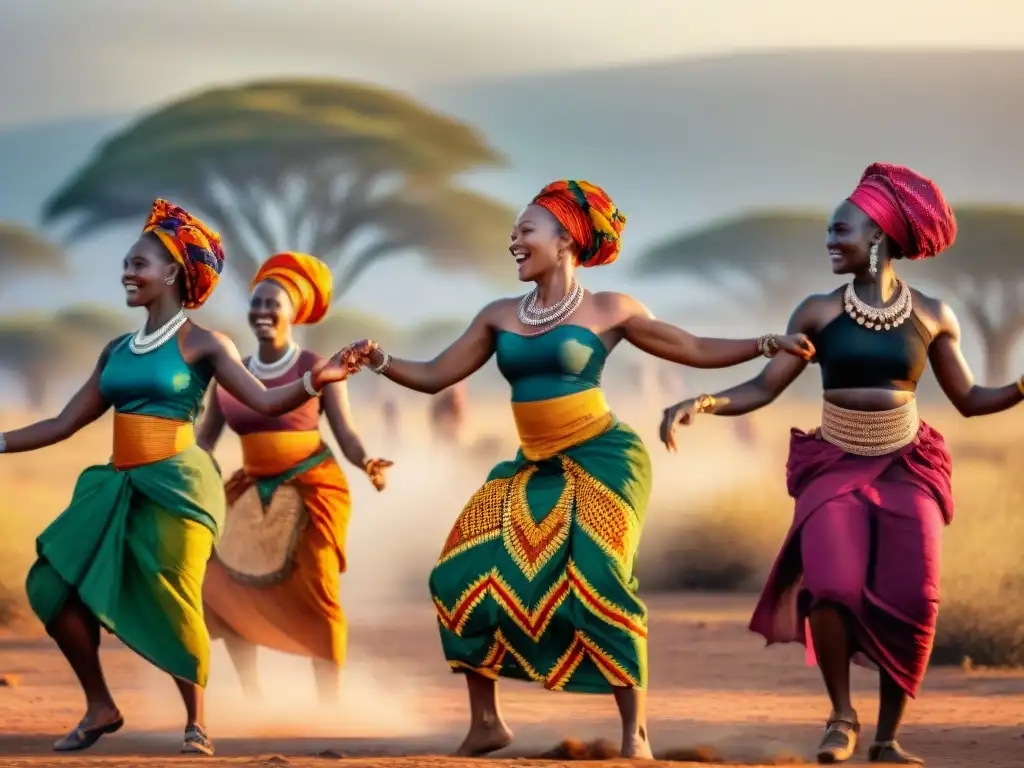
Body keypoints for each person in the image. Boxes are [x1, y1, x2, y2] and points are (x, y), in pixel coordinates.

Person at [338, 179, 814, 759]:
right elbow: (437, 375)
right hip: (532, 467)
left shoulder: (610, 309)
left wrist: (767, 343)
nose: (514, 239)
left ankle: (634, 733)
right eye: (513, 232)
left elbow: (689, 347)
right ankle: (486, 722)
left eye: (526, 230)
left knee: (600, 581)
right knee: (457, 576)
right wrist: (377, 360)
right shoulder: (499, 316)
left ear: (565, 238)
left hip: (604, 459)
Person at [659, 163, 1023, 764]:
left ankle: (888, 737)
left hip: (909, 465)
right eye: (829, 231)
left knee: (917, 596)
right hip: (833, 462)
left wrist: (1019, 388)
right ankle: (841, 716)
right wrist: (702, 401)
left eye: (841, 231)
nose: (830, 241)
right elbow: (762, 387)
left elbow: (971, 400)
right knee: (831, 586)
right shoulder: (817, 313)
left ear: (879, 236)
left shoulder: (934, 313)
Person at [0, 201, 360, 756]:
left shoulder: (205, 343)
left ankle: (197, 721)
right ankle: (100, 704)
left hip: (179, 486)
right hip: (119, 485)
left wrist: (316, 381)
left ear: (171, 272)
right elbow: (62, 423)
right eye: (125, 262)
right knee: (50, 584)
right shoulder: (116, 349)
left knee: (174, 590)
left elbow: (264, 401)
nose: (127, 271)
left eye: (137, 263)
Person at [197, 252, 391, 703]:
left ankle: (331, 704)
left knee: (318, 586)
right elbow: (205, 439)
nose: (262, 312)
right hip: (251, 488)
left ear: (293, 313)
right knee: (220, 582)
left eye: (273, 304)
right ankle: (253, 695)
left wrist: (367, 462)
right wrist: (176, 469)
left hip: (312, 486)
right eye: (256, 303)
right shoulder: (229, 372)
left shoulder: (318, 367)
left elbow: (346, 433)